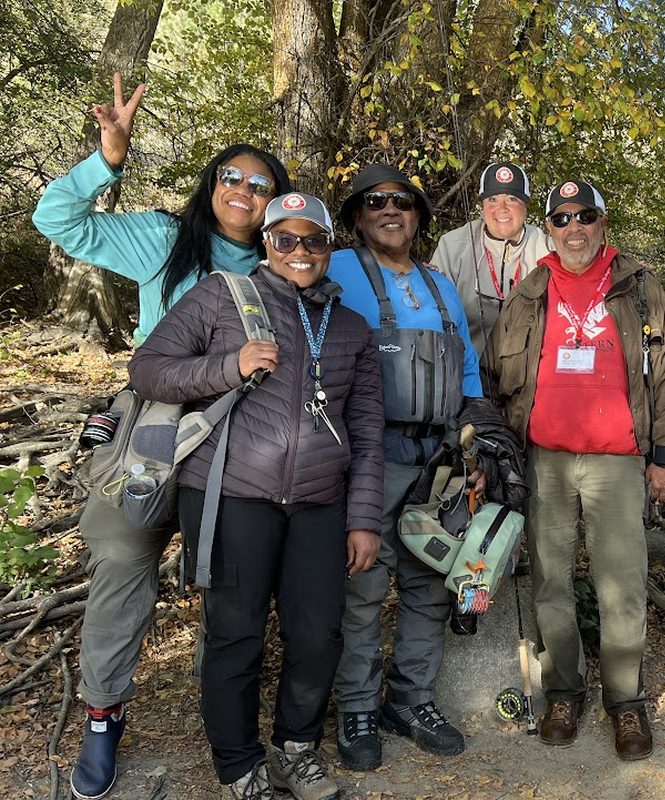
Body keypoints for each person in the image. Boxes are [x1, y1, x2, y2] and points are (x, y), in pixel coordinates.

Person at [31, 73, 290, 800]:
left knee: (230, 582)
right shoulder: (165, 239)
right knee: (122, 564)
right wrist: (106, 158)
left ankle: (225, 720)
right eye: (232, 176)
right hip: (153, 429)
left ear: (276, 202)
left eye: (261, 183)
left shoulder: (283, 266)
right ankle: (103, 715)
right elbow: (57, 218)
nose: (244, 189)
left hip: (243, 440)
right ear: (212, 184)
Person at [127, 192, 384, 800]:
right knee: (236, 632)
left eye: (313, 240)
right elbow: (149, 368)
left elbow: (369, 432)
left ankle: (298, 748)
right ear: (266, 242)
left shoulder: (351, 328)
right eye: (286, 239)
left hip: (321, 501)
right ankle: (239, 766)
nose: (300, 251)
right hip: (231, 493)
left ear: (329, 246)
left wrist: (365, 518)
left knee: (319, 633)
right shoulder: (223, 296)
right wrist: (228, 366)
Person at [484, 180, 665, 761]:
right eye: (562, 219)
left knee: (621, 585)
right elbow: (498, 378)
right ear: (547, 227)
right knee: (550, 582)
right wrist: (502, 454)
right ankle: (563, 693)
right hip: (545, 458)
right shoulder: (529, 291)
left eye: (586, 217)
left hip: (618, 458)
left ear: (603, 223)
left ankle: (626, 703)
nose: (574, 228)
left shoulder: (639, 285)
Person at [328, 164, 485, 770]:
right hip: (367, 456)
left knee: (429, 585)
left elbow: (467, 368)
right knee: (363, 587)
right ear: (357, 216)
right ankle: (357, 706)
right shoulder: (334, 269)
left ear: (419, 216)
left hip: (439, 458)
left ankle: (411, 699)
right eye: (376, 202)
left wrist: (478, 442)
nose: (390, 211)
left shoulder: (441, 285)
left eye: (403, 202)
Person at [429, 161, 550, 360]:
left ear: (526, 205)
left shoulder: (547, 249)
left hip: (529, 376)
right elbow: (435, 316)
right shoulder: (453, 246)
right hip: (467, 370)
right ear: (482, 205)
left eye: (512, 199)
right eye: (492, 199)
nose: (501, 208)